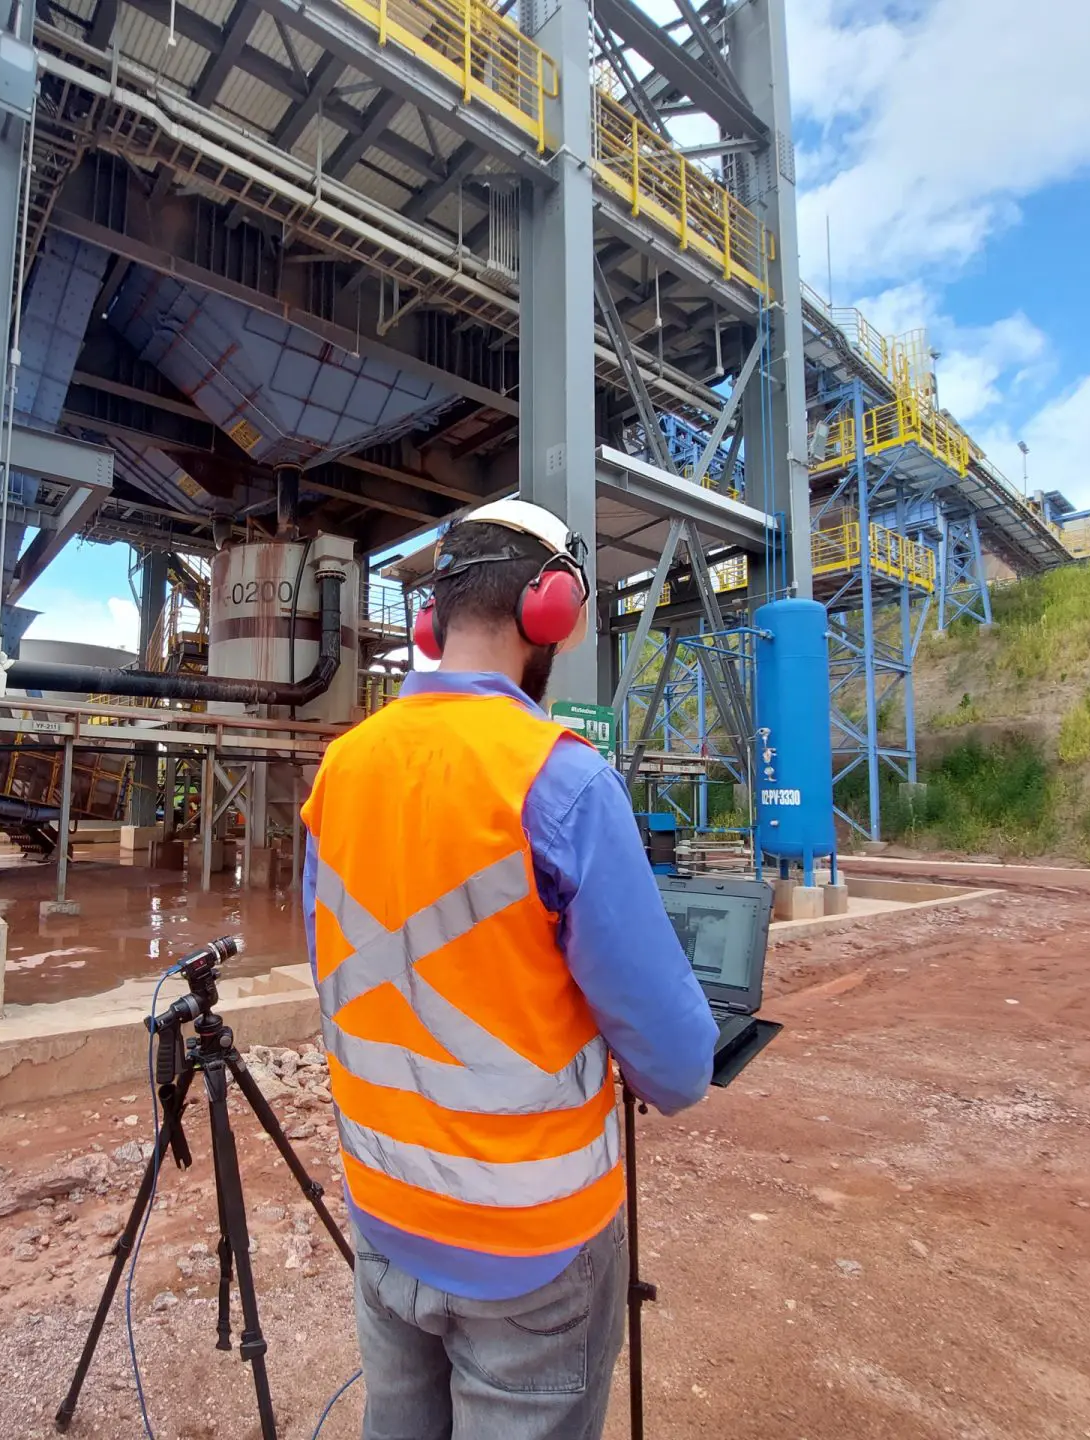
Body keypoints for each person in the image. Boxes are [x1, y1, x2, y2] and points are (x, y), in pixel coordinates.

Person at [300, 499, 720, 1440]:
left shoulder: (343, 771)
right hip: (530, 1245)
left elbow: (341, 970)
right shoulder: (561, 781)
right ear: (553, 610)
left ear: (427, 623)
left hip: (384, 1212)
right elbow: (681, 1066)